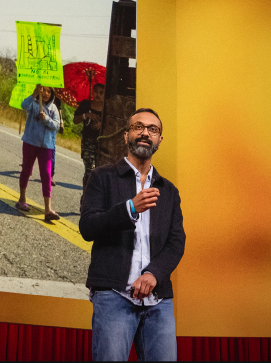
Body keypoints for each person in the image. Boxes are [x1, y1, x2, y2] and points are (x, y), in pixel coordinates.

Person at [79, 108, 186, 361]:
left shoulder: (169, 191)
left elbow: (176, 242)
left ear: (160, 139)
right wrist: (129, 208)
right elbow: (88, 227)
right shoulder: (102, 177)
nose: (145, 133)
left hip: (158, 301)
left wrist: (154, 274)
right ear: (126, 135)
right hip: (113, 296)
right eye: (138, 127)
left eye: (153, 129)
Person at [16, 85, 61, 221]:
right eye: (43, 90)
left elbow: (56, 125)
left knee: (46, 175)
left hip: (46, 146)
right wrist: (34, 94)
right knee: (26, 170)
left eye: (49, 91)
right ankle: (22, 198)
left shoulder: (54, 109)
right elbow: (24, 105)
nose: (46, 93)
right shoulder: (33, 104)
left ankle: (48, 209)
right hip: (30, 142)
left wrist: (46, 119)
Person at [74, 83, 104, 190]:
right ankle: (86, 192)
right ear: (92, 92)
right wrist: (86, 115)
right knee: (89, 169)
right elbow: (75, 120)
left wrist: (102, 126)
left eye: (101, 93)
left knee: (100, 171)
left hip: (102, 144)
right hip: (87, 141)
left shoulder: (107, 109)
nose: (98, 95)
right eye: (96, 91)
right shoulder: (85, 105)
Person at [50, 96, 64, 187]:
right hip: (40, 122)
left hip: (53, 124)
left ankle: (50, 175)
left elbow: (59, 109)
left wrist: (61, 122)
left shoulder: (57, 96)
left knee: (51, 149)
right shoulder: (40, 90)